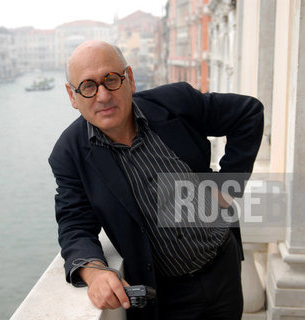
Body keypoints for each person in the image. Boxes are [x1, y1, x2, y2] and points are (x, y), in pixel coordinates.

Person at [49, 40, 264, 320]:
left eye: (111, 80)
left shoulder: (175, 102)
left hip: (223, 266)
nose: (102, 95)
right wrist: (94, 271)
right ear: (72, 95)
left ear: (130, 80)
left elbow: (248, 114)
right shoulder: (69, 154)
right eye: (88, 86)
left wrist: (226, 187)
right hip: (164, 296)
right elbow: (74, 224)